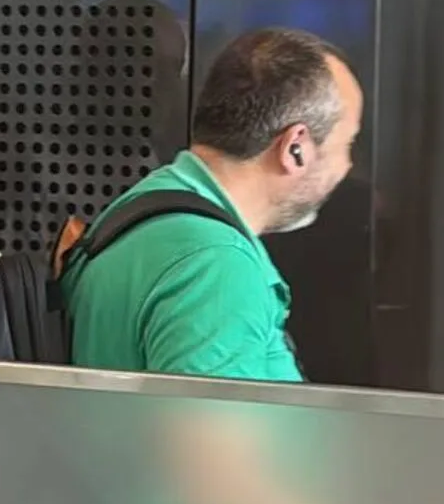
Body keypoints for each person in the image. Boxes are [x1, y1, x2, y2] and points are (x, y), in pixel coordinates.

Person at [62, 27, 362, 382]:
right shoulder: (216, 265)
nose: (348, 166)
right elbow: (208, 421)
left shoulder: (147, 206)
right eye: (346, 144)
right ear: (295, 148)